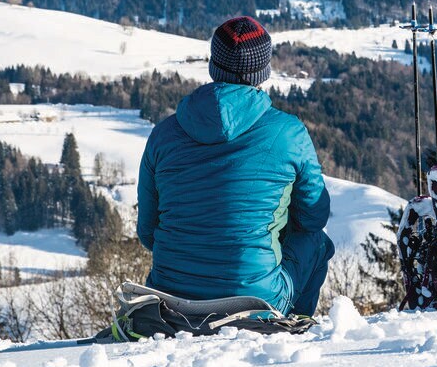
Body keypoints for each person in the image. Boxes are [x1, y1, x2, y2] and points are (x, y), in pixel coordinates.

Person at [137, 16, 334, 316]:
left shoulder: (163, 135)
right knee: (317, 243)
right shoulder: (289, 133)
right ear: (263, 71)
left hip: (170, 297)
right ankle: (293, 329)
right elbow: (313, 218)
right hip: (256, 299)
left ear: (213, 64)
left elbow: (147, 233)